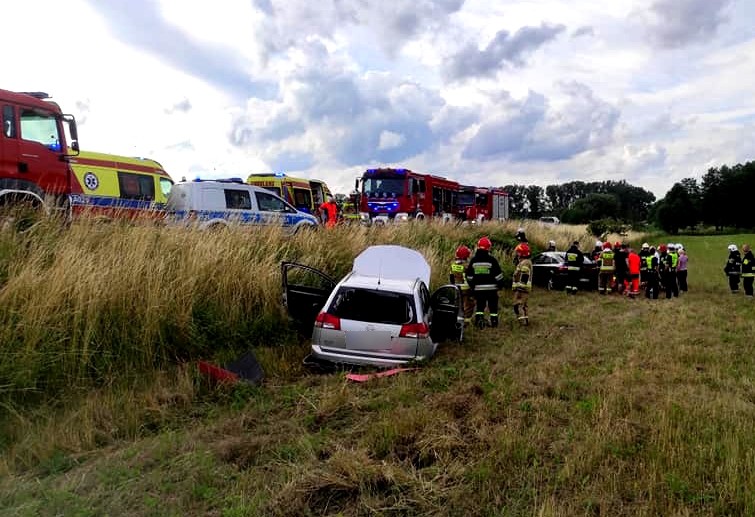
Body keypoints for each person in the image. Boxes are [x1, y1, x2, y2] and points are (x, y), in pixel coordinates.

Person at [466, 237, 505, 328]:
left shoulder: (474, 260)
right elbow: (498, 275)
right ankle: (494, 322)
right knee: (493, 307)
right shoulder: (492, 260)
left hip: (479, 290)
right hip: (492, 289)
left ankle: (478, 321)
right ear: (488, 248)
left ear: (478, 247)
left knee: (480, 306)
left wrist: (473, 286)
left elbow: (469, 277)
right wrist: (500, 285)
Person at [450, 245, 475, 323]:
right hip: (466, 289)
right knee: (469, 305)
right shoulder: (467, 266)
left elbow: (451, 277)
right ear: (466, 256)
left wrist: (453, 285)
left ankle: (455, 320)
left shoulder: (453, 265)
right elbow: (471, 278)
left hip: (456, 288)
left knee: (457, 305)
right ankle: (466, 322)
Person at [512, 243, 533, 325]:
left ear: (522, 253)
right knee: (521, 305)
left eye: (518, 252)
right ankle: (523, 320)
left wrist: (520, 287)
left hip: (521, 289)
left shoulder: (525, 263)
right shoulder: (524, 262)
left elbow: (525, 275)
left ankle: (523, 322)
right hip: (521, 288)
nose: (517, 254)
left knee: (519, 305)